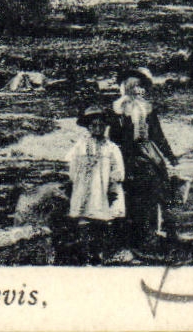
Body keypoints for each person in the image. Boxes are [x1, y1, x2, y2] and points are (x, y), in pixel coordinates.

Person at [111, 69, 185, 254]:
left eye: (139, 86)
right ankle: (129, 237)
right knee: (129, 194)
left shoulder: (147, 109)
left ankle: (155, 233)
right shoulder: (117, 109)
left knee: (156, 186)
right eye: (131, 86)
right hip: (124, 153)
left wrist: (169, 156)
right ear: (124, 88)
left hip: (146, 150)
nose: (136, 90)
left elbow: (158, 135)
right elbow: (112, 137)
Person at [65, 105, 126, 265]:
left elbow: (118, 169)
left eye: (101, 125)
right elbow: (71, 165)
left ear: (105, 127)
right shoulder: (80, 146)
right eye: (93, 125)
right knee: (84, 217)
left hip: (103, 188)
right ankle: (85, 253)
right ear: (88, 126)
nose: (97, 128)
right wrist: (76, 181)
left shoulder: (111, 147)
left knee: (102, 219)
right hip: (84, 188)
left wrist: (114, 181)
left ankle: (100, 254)